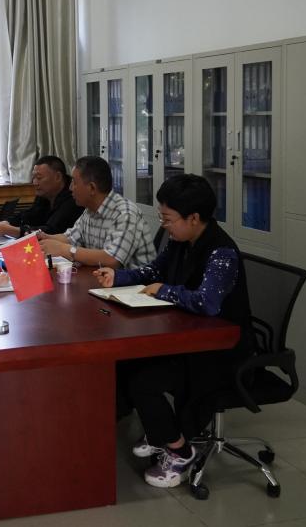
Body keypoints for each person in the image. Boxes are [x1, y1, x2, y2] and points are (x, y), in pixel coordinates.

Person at [93, 173, 251, 488]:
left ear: (194, 218)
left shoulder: (221, 251)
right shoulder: (181, 241)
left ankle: (180, 450)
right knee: (127, 362)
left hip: (218, 350)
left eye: (168, 219)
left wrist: (164, 290)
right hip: (187, 338)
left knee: (144, 381)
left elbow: (207, 302)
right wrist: (118, 277)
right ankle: (160, 430)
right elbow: (154, 270)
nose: (164, 225)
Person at [38, 156, 155, 268]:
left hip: (134, 281)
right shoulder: (89, 210)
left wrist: (64, 249)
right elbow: (71, 238)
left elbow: (112, 260)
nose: (70, 188)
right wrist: (45, 237)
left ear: (92, 188)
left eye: (74, 182)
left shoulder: (125, 214)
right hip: (102, 278)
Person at [0, 155, 84, 237]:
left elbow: (51, 231)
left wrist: (11, 230)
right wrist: (6, 223)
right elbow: (29, 215)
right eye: (34, 178)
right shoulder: (44, 194)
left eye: (39, 178)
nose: (35, 183)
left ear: (57, 177)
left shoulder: (74, 197)